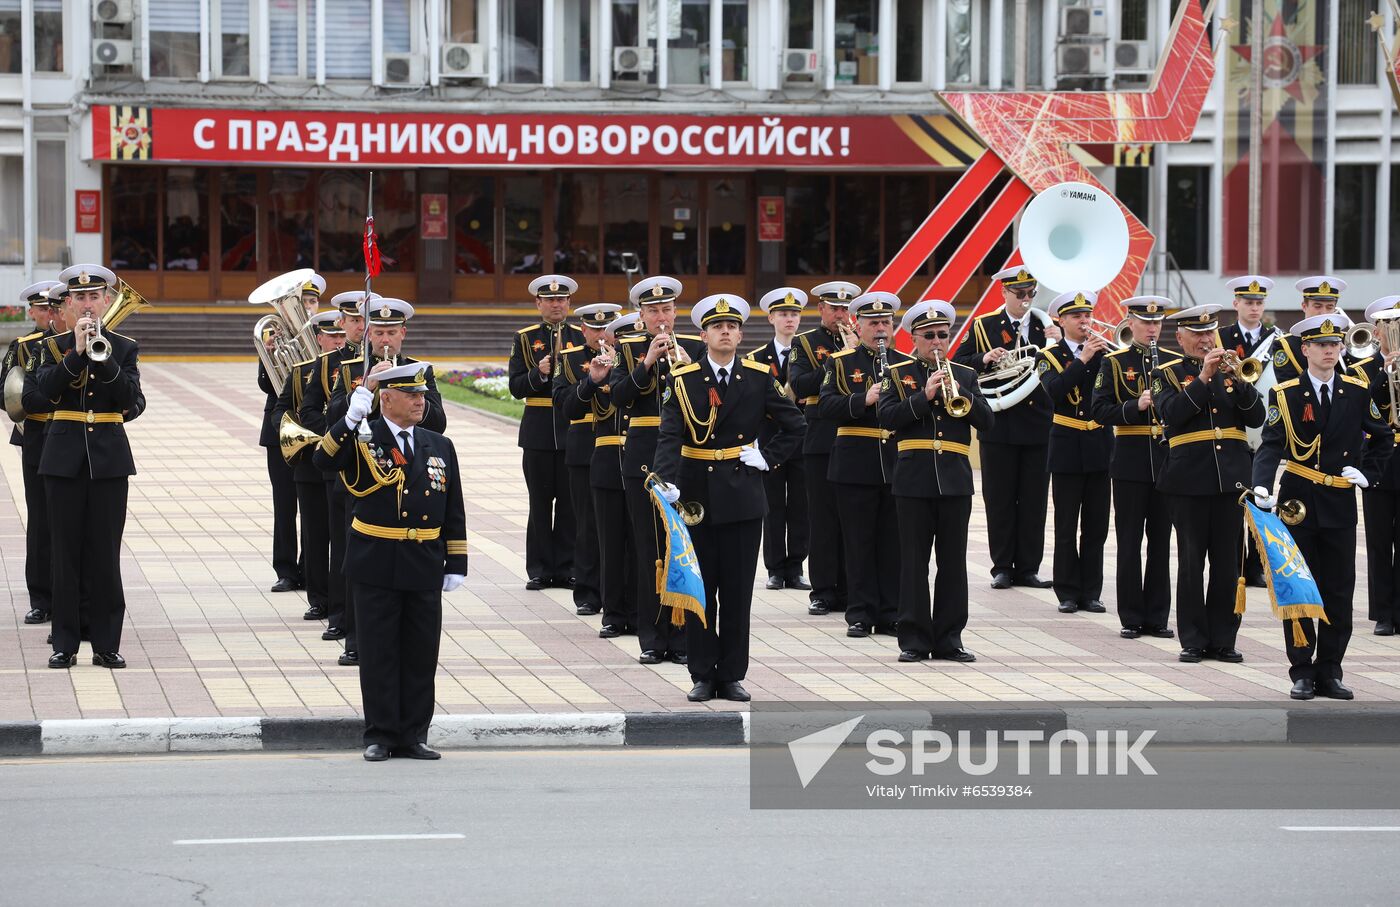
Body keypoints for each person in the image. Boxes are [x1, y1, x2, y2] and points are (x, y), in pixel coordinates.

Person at [652, 294, 805, 702]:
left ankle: (732, 674)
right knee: (702, 590)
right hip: (696, 495)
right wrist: (665, 480)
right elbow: (670, 433)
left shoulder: (757, 377)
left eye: (732, 326)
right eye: (717, 326)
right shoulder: (683, 379)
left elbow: (796, 424)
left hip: (742, 495)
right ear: (703, 334)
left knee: (737, 593)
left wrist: (767, 459)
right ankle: (702, 673)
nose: (725, 332)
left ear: (740, 335)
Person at [314, 362, 467, 760]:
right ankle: (380, 734)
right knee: (379, 652)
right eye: (412, 395)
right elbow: (324, 461)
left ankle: (413, 733)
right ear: (386, 399)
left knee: (420, 652)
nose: (422, 401)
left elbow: (453, 508)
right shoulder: (365, 437)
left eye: (422, 394)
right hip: (376, 558)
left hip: (423, 560)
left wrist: (456, 561)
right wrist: (349, 418)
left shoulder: (439, 444)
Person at [1251, 314, 1392, 700]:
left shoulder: (1356, 390)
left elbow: (1381, 437)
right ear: (1306, 349)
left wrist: (1368, 474)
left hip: (1340, 501)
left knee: (1338, 590)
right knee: (1297, 586)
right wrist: (1262, 488)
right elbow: (1270, 446)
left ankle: (1330, 670)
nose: (1330, 351)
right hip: (1299, 501)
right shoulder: (1287, 394)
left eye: (1335, 345)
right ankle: (1301, 670)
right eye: (1321, 345)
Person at [29, 265, 142, 670]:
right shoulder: (51, 347)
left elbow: (133, 402)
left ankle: (106, 643)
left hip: (109, 462)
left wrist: (105, 360)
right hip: (61, 461)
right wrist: (76, 355)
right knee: (65, 555)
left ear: (107, 301)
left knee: (105, 555)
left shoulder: (124, 347)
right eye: (80, 299)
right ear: (68, 305)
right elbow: (38, 397)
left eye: (95, 297)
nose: (88, 305)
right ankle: (65, 642)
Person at [326, 298, 446, 668]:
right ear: (367, 333)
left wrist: (405, 398)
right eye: (378, 332)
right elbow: (332, 419)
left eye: (392, 332)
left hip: (408, 475)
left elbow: (438, 421)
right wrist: (366, 392)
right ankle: (354, 638)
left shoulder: (418, 371)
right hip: (361, 481)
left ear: (403, 333)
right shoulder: (350, 368)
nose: (385, 339)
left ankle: (396, 637)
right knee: (355, 559)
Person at [879, 300, 993, 663]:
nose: (937, 342)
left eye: (943, 335)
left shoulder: (966, 374)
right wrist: (924, 396)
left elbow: (988, 422)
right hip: (913, 478)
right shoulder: (896, 373)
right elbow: (887, 417)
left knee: (953, 563)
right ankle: (912, 638)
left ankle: (949, 638)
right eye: (929, 336)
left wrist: (965, 393)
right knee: (913, 562)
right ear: (913, 337)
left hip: (955, 481)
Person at [1153, 304, 1265, 664]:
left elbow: (1257, 417)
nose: (1205, 340)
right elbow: (1171, 415)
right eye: (1197, 335)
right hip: (1188, 481)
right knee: (1190, 564)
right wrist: (1203, 378)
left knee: (1229, 565)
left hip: (1230, 482)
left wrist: (1243, 382)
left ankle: (1223, 638)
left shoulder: (1234, 373)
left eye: (1210, 333)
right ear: (1181, 338)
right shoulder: (1166, 373)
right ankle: (1193, 639)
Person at [609, 276, 705, 665]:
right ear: (641, 315)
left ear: (676, 312)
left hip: (685, 457)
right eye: (653, 312)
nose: (661, 318)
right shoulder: (630, 349)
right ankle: (652, 637)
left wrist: (688, 370)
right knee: (648, 548)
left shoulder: (697, 347)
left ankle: (682, 637)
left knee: (681, 547)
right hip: (643, 458)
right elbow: (617, 396)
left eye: (666, 310)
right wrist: (648, 362)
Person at [953, 266, 1058, 590]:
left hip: (1038, 423)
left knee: (1034, 499)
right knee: (999, 498)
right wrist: (985, 357)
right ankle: (1002, 566)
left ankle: (1028, 567)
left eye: (1031, 294)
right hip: (999, 422)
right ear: (1005, 293)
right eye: (1020, 294)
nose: (1026, 300)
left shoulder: (1046, 326)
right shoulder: (984, 325)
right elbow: (959, 361)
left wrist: (1059, 342)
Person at [819, 291, 911, 638]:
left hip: (896, 462)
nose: (881, 329)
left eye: (886, 322)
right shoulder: (840, 362)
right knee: (857, 542)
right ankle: (859, 613)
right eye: (873, 324)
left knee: (893, 542)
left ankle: (890, 612)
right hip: (854, 463)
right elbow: (825, 406)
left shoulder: (905, 363)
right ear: (859, 325)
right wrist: (863, 399)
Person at [1090, 296, 1177, 639]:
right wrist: (1134, 405)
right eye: (1145, 322)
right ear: (1131, 322)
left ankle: (1157, 616)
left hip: (1166, 458)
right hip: (1129, 458)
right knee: (1129, 541)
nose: (1152, 328)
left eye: (1157, 323)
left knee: (1161, 541)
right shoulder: (1114, 362)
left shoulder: (1173, 362)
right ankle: (1131, 616)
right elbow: (1099, 411)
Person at [300, 291, 373, 644]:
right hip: (341, 464)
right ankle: (339, 616)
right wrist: (336, 434)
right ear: (342, 324)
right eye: (354, 321)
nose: (360, 327)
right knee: (340, 543)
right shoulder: (328, 364)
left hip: (382, 466)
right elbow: (310, 411)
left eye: (364, 320)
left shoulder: (394, 363)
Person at [1036, 290, 1113, 615]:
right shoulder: (1048, 356)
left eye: (1087, 316)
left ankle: (1091, 592)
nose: (1085, 322)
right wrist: (1080, 361)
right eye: (1077, 317)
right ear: (1061, 321)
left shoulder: (1104, 354)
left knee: (1096, 527)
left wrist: (1100, 357)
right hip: (1066, 445)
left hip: (1098, 445)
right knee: (1066, 526)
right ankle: (1066, 592)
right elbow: (1050, 394)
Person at [509, 274, 585, 591]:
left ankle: (566, 567)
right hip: (538, 430)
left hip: (571, 430)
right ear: (538, 304)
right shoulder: (525, 338)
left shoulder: (582, 337)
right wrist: (538, 374)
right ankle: (539, 568)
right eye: (549, 300)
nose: (556, 304)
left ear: (569, 304)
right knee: (539, 503)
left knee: (569, 505)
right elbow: (515, 386)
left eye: (561, 299)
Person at [787, 281, 859, 616]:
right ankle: (823, 590)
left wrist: (857, 350)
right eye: (834, 309)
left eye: (845, 309)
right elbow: (799, 386)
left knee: (853, 516)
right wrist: (838, 361)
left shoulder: (864, 340)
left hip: (856, 435)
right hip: (820, 438)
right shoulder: (805, 343)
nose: (841, 315)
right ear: (822, 310)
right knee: (822, 517)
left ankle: (852, 588)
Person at [271, 309, 345, 624]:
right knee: (315, 536)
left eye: (342, 335)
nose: (339, 341)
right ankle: (319, 599)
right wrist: (298, 432)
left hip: (343, 464)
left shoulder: (358, 370)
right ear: (319, 339)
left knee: (341, 537)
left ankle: (341, 601)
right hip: (310, 464)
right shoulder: (302, 372)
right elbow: (281, 410)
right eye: (333, 337)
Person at [552, 302, 621, 617]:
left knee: (619, 527)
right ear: (583, 330)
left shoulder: (629, 357)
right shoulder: (568, 359)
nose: (601, 335)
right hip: (584, 449)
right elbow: (563, 403)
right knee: (587, 525)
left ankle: (617, 592)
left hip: (621, 446)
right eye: (594, 329)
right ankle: (589, 593)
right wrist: (590, 382)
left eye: (607, 329)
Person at [259, 271, 323, 594]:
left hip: (317, 431)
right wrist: (271, 354)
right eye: (302, 301)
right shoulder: (277, 336)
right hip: (279, 429)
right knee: (284, 502)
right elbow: (264, 383)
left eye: (310, 301)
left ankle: (310, 568)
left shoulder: (326, 335)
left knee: (312, 505)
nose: (307, 307)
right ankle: (285, 569)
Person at [745, 287, 811, 591]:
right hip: (769, 441)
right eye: (783, 314)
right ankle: (774, 568)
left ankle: (796, 566)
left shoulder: (809, 353)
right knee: (772, 505)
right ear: (771, 318)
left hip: (802, 438)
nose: (790, 319)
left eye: (794, 314)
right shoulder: (756, 358)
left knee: (800, 505)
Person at [4, 280, 62, 625]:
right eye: (42, 309)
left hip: (71, 433)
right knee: (40, 519)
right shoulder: (23, 347)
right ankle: (40, 597)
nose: (48, 314)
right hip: (38, 434)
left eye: (53, 308)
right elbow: (5, 392)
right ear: (32, 312)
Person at [586, 311, 642, 638]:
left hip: (639, 462)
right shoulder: (601, 369)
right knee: (610, 544)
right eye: (620, 339)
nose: (624, 345)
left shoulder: (646, 370)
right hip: (608, 462)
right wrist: (593, 380)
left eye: (632, 339)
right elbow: (569, 407)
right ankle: (613, 614)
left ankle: (637, 612)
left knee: (641, 545)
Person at [1352, 296, 1400, 636]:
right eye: (1390, 326)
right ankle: (1384, 612)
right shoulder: (1361, 370)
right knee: (1380, 541)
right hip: (1379, 462)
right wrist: (1386, 375)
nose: (1395, 331)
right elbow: (1361, 406)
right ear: (1377, 331)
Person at [1270, 276, 1349, 383]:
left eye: (1329, 307)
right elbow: (1287, 387)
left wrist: (1345, 354)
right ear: (1304, 306)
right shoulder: (1286, 344)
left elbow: (1359, 383)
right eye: (1317, 306)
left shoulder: (1347, 340)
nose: (1323, 312)